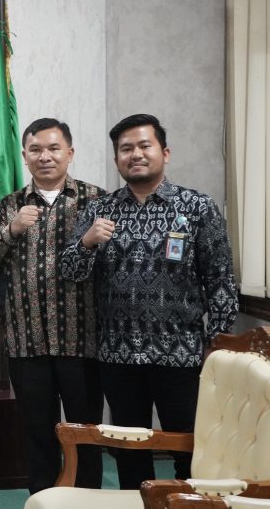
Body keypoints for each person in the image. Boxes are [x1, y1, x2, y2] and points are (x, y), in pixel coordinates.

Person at [62, 113, 239, 490]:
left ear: (165, 152)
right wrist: (86, 242)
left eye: (145, 145)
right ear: (117, 159)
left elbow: (221, 279)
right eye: (126, 149)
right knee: (129, 452)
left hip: (183, 355)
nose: (136, 154)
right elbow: (70, 271)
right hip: (118, 355)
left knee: (190, 449)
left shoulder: (196, 207)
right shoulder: (100, 210)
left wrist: (217, 344)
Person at [0, 118, 105, 494]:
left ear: (70, 153)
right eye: (36, 150)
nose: (44, 157)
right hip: (26, 343)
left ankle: (86, 501)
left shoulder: (97, 200)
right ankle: (43, 499)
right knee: (37, 435)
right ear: (25, 155)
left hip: (83, 342)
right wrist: (11, 230)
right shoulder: (9, 205)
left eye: (53, 148)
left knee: (86, 433)